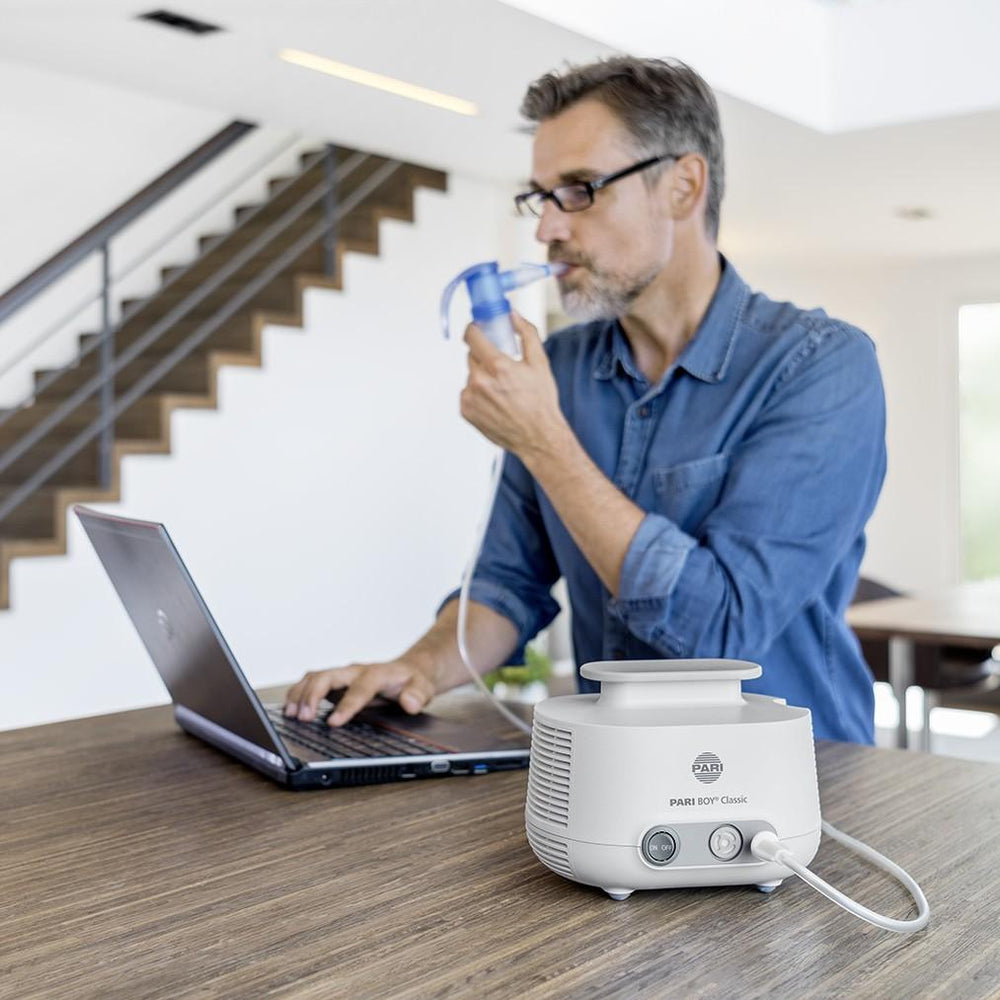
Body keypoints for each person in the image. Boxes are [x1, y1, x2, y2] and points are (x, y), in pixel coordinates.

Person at [284, 56, 886, 743]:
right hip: (612, 774)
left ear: (683, 187)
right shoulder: (561, 369)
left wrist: (544, 440)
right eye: (539, 196)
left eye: (579, 189)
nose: (547, 228)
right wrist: (413, 668)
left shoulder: (822, 366)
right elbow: (507, 585)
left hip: (800, 786)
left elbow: (722, 633)